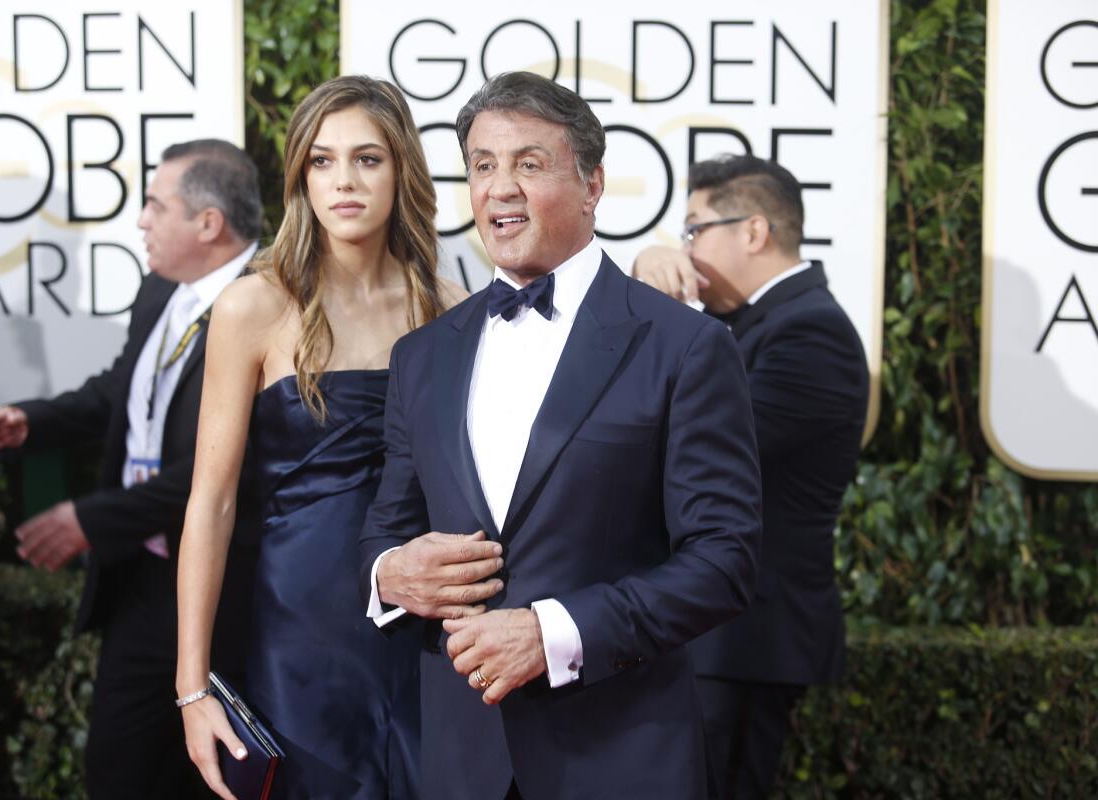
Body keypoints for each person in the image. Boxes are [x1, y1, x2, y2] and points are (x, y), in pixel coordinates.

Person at [359, 71, 763, 800]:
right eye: (482, 165)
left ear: (592, 185)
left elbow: (724, 560)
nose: (499, 188)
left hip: (618, 757)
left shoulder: (683, 346)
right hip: (458, 762)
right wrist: (390, 576)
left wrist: (553, 634)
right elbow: (385, 531)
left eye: (529, 164)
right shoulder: (421, 356)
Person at [174, 75, 466, 800]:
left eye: (367, 159)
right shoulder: (256, 304)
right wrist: (192, 688)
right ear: (300, 174)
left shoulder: (451, 309)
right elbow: (209, 504)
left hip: (422, 626)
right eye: (322, 160)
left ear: (402, 169)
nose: (344, 181)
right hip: (298, 629)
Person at [0, 139, 264, 800]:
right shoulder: (161, 289)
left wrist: (91, 519)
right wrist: (33, 420)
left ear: (208, 223)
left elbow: (220, 473)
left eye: (156, 206)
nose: (141, 221)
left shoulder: (268, 301)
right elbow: (120, 392)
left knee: (219, 781)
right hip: (140, 584)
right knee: (118, 771)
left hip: (227, 594)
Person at [633, 154, 870, 800]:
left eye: (695, 229)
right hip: (710, 635)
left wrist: (654, 306)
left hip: (742, 641)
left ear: (754, 231)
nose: (684, 249)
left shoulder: (810, 335)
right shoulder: (745, 325)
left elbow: (699, 448)